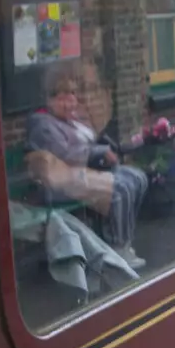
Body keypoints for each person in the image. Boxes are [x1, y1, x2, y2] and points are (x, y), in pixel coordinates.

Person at [26, 71, 149, 269]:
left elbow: (90, 140)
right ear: (50, 100)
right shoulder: (42, 124)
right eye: (63, 98)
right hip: (60, 184)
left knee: (137, 178)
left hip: (84, 174)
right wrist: (98, 153)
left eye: (72, 96)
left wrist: (99, 145)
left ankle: (124, 240)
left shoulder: (68, 120)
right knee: (121, 189)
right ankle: (117, 246)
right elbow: (64, 155)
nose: (70, 103)